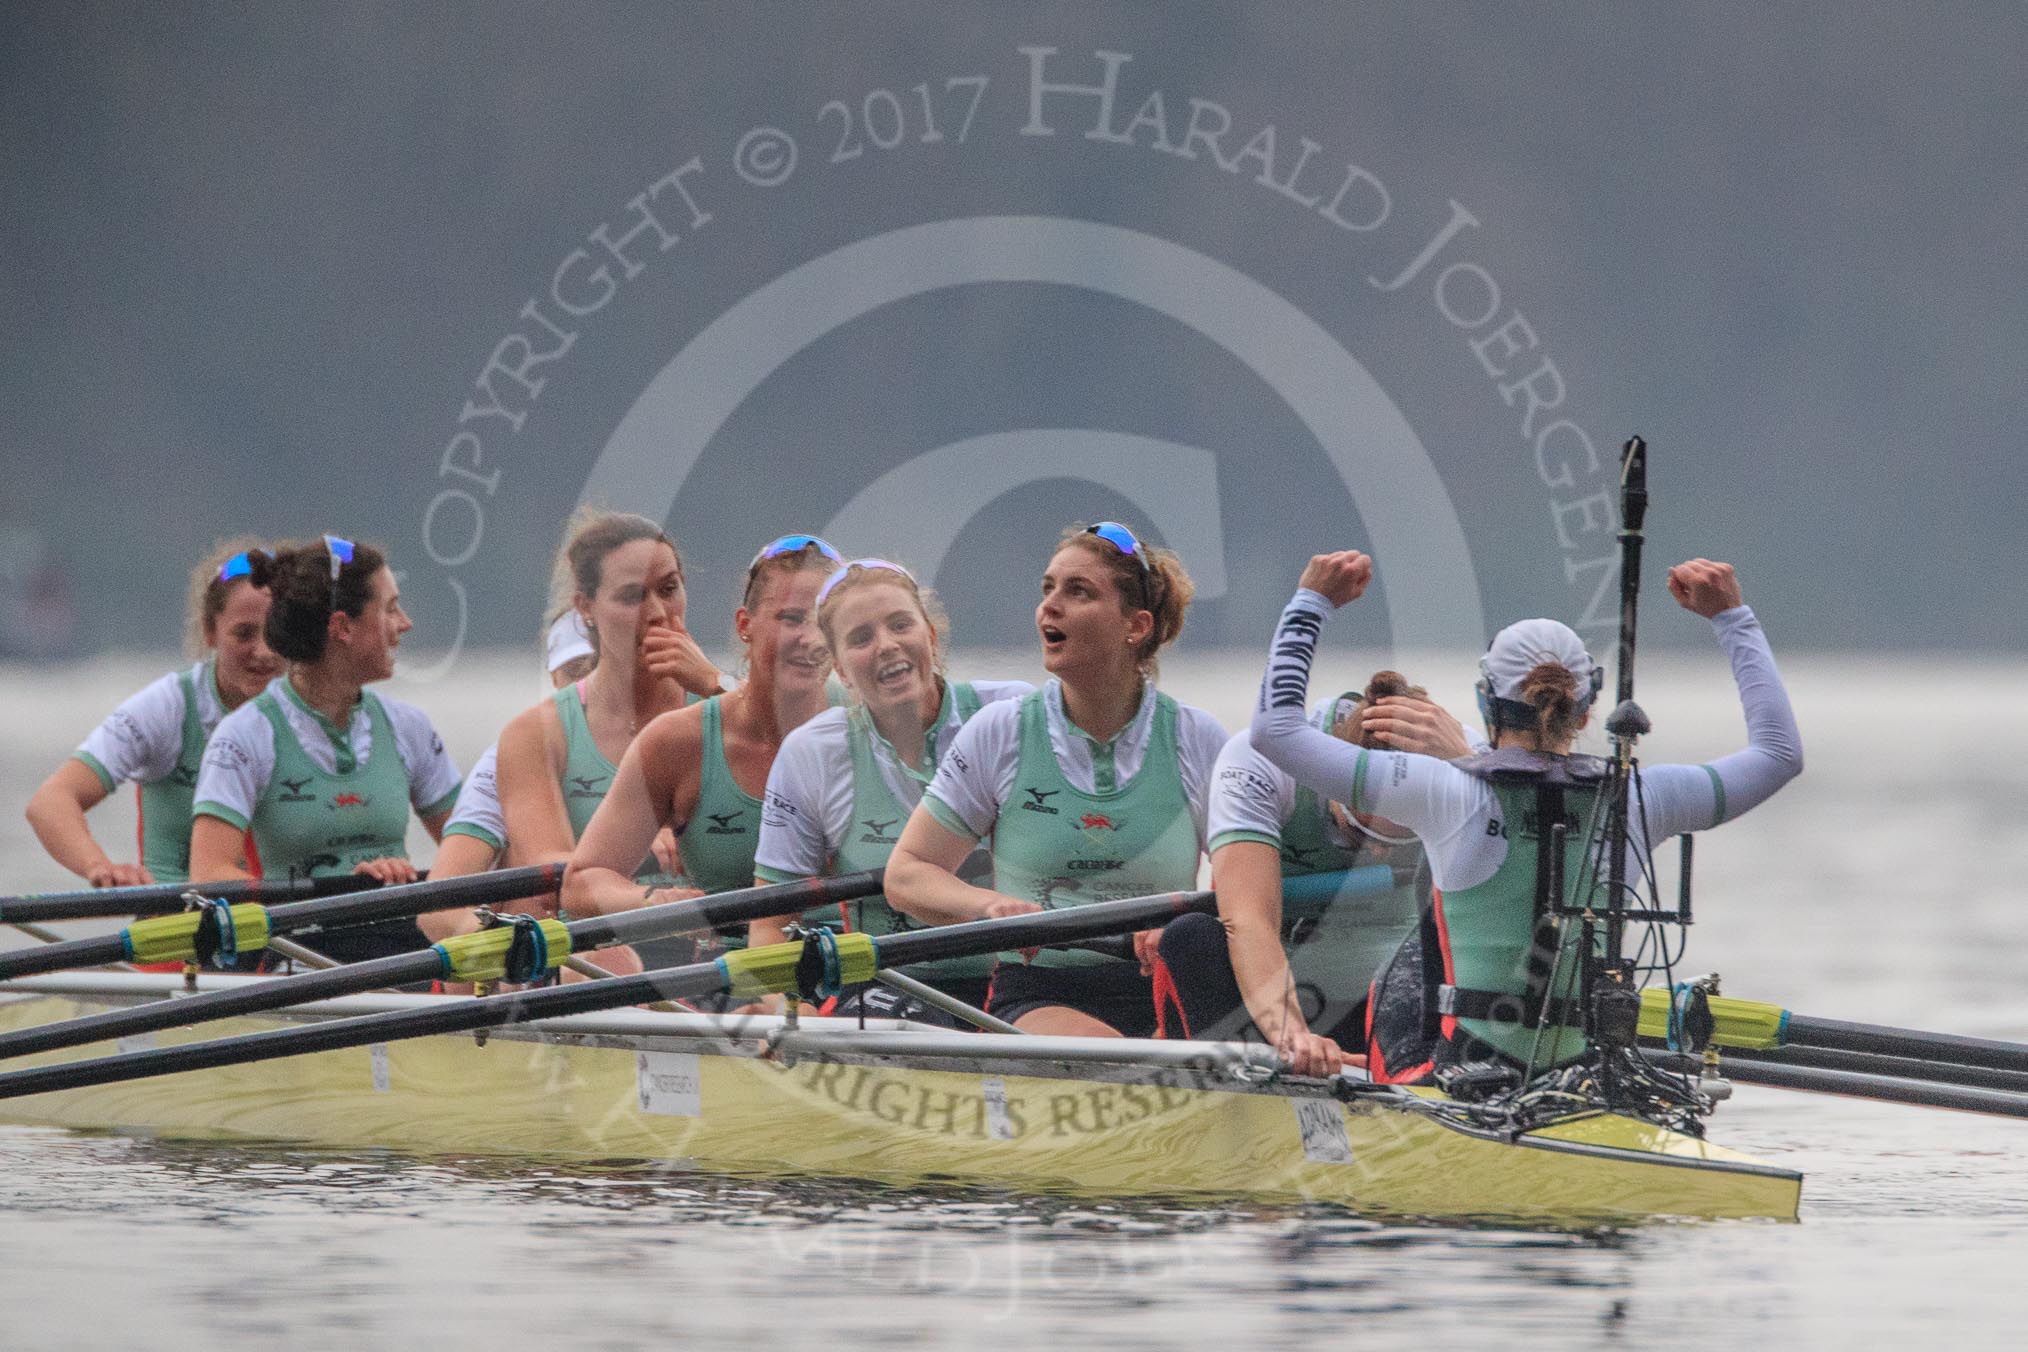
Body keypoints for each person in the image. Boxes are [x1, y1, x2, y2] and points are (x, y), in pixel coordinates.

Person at [1251, 550, 1802, 1079]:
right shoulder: (1642, 796)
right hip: (1586, 1071)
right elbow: (1778, 755)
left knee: (1417, 937)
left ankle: (1381, 1079)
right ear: (1587, 709)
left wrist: (1310, 603)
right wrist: (1733, 617)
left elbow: (1274, 731)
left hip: (1463, 1070)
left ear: (1486, 703)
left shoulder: (1443, 791)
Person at [886, 522, 1227, 1038]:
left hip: (1165, 987)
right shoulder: (1000, 733)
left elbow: (1245, 884)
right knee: (1120, 1062)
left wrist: (1184, 929)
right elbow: (907, 874)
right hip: (1041, 989)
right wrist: (990, 906)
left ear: (1134, 626)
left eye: (1078, 592)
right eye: (1048, 589)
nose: (1050, 606)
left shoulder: (1197, 738)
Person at [751, 558, 1030, 1021]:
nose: (886, 646)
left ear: (931, 637)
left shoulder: (1012, 713)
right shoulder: (813, 753)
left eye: (901, 625)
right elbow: (770, 926)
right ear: (839, 668)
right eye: (861, 638)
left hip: (1018, 981)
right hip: (889, 987)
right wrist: (779, 1014)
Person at [1159, 671, 1475, 1076]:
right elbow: (1249, 921)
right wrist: (1293, 1036)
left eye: (1401, 843)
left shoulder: (1461, 759)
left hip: (1395, 987)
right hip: (1283, 986)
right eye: (1359, 833)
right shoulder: (1265, 759)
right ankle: (1248, 1098)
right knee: (1190, 937)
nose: (1378, 852)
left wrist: (1471, 768)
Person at [562, 534, 841, 970]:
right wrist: (655, 900)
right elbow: (581, 883)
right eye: (791, 618)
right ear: (744, 625)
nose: (810, 639)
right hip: (731, 974)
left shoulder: (873, 719)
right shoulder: (678, 741)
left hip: (868, 969)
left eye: (824, 622)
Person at [190, 536, 463, 963]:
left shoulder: (409, 728)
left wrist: (397, 875)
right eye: (390, 609)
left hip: (397, 938)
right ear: (343, 627)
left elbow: (471, 845)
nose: (404, 623)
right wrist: (346, 885)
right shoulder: (245, 735)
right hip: (296, 948)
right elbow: (209, 876)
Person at [27, 541, 282, 886]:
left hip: (285, 923)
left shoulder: (321, 708)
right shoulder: (170, 705)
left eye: (277, 633)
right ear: (210, 631)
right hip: (177, 920)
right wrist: (99, 867)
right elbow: (50, 802)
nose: (264, 651)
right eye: (244, 633)